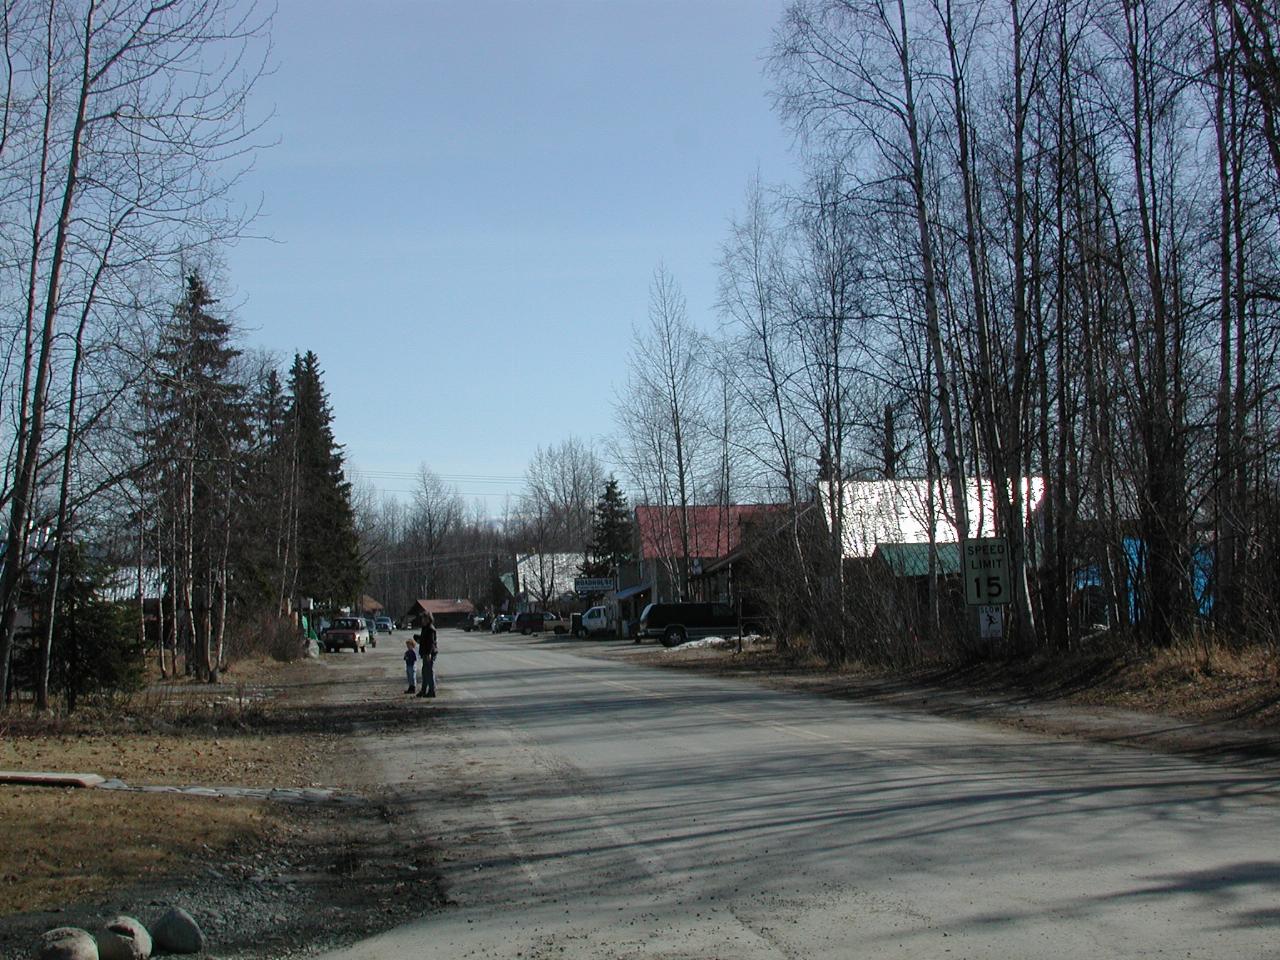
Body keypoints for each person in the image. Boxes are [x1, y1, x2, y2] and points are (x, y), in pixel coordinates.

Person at [416, 612, 438, 698]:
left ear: (428, 619)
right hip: (425, 653)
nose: (423, 620)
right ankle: (423, 690)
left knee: (429, 672)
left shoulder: (430, 629)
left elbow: (431, 643)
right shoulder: (425, 628)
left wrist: (429, 653)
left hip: (429, 653)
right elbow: (424, 640)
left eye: (424, 619)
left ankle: (432, 691)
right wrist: (419, 638)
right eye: (422, 619)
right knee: (424, 672)